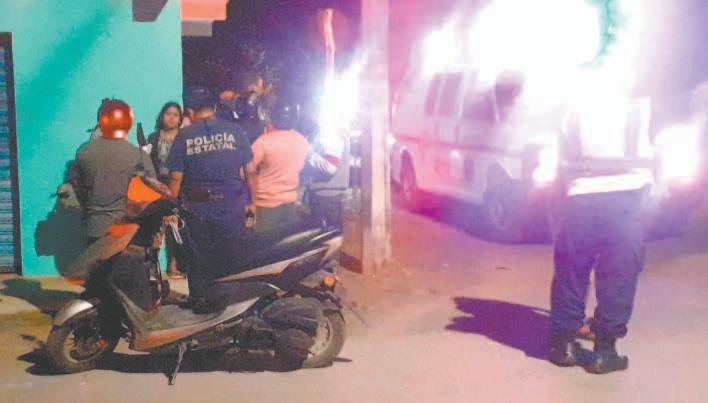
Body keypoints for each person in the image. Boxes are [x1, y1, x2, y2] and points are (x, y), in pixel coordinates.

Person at [548, 96, 654, 374]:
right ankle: (604, 352)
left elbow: (561, 152)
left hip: (581, 194)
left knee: (572, 269)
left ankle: (564, 345)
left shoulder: (575, 103)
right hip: (627, 196)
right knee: (619, 273)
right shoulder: (638, 103)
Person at [165, 86, 253, 312]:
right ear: (213, 108)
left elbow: (175, 177)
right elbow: (249, 171)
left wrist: (169, 206)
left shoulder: (185, 135)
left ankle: (201, 303)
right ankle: (231, 304)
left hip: (198, 208)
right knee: (230, 253)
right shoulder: (235, 131)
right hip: (231, 205)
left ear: (190, 112)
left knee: (198, 257)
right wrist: (252, 202)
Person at [72, 99, 170, 244]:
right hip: (123, 228)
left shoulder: (83, 152)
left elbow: (78, 189)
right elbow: (154, 187)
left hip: (93, 225)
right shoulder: (134, 153)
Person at [245, 94, 310, 240]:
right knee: (286, 245)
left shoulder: (264, 142)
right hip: (291, 204)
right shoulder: (302, 141)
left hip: (265, 207)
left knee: (262, 246)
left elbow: (245, 173)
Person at [146, 102, 184, 279]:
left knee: (175, 228)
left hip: (179, 187)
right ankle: (153, 267)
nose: (171, 118)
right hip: (157, 188)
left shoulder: (184, 137)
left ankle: (174, 266)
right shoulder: (153, 138)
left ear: (180, 118)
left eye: (176, 115)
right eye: (168, 114)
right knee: (157, 227)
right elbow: (147, 164)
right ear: (162, 116)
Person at [217, 70, 266, 143]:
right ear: (253, 87)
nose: (262, 90)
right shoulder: (228, 105)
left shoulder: (256, 105)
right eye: (260, 87)